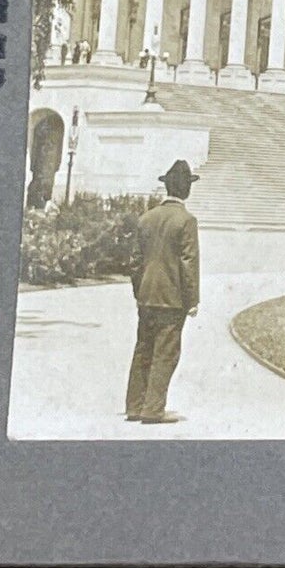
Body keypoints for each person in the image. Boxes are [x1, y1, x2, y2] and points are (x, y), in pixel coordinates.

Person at [125, 159, 201, 425]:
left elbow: (134, 262)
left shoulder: (146, 218)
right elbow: (188, 263)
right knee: (165, 352)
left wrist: (140, 291)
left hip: (146, 296)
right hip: (172, 299)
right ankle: (153, 409)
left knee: (143, 348)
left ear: (166, 187)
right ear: (186, 190)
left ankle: (134, 406)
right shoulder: (186, 221)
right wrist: (192, 300)